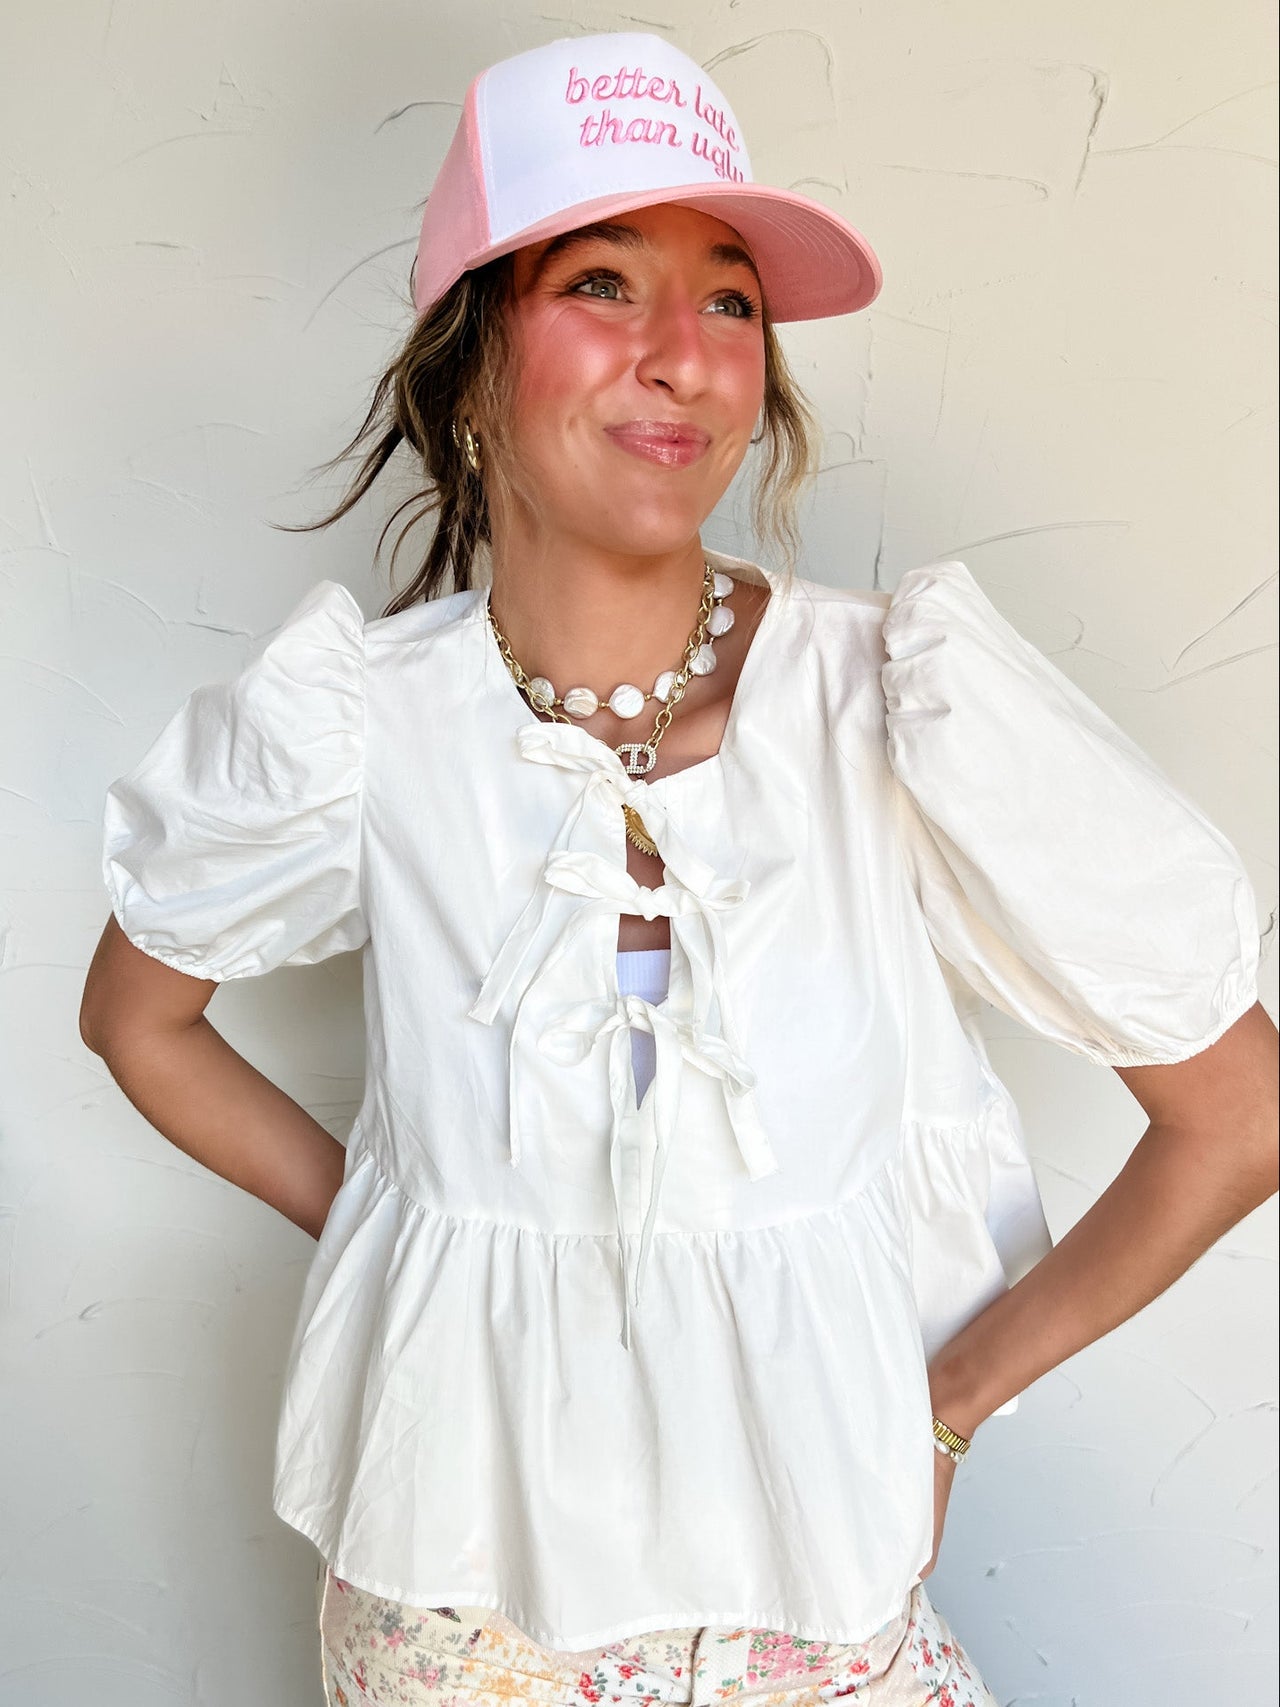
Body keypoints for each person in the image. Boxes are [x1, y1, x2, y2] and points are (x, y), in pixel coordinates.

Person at [79, 30, 1277, 1707]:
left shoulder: (898, 701)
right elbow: (138, 1019)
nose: (683, 357)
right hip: (451, 1611)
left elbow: (1236, 1114)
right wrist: (390, 1223)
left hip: (817, 1601)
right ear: (473, 353)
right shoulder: (360, 723)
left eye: (729, 302)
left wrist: (949, 1405)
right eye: (601, 282)